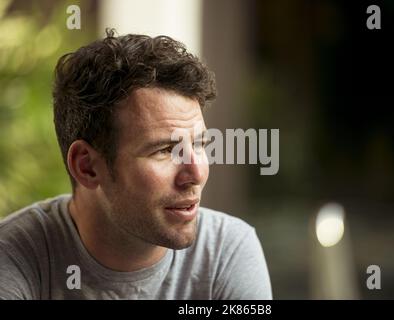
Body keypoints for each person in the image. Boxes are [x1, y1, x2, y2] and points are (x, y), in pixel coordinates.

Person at [0, 30, 272, 300]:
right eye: (165, 150)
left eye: (200, 144)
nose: (196, 173)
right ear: (87, 167)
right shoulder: (14, 257)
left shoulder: (227, 253)